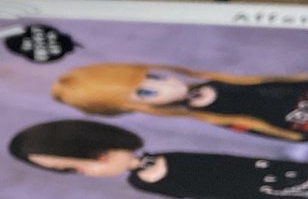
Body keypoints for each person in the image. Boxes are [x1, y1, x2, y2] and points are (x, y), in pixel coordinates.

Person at [9, 119, 308, 199]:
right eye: (71, 170)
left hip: (268, 180)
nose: (86, 172)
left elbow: (224, 168)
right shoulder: (144, 178)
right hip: (262, 192)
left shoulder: (151, 172)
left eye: (81, 163)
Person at [51, 62, 308, 142]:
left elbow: (282, 84)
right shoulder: (215, 115)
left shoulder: (217, 82)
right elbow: (283, 132)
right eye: (146, 93)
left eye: (154, 77)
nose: (166, 84)